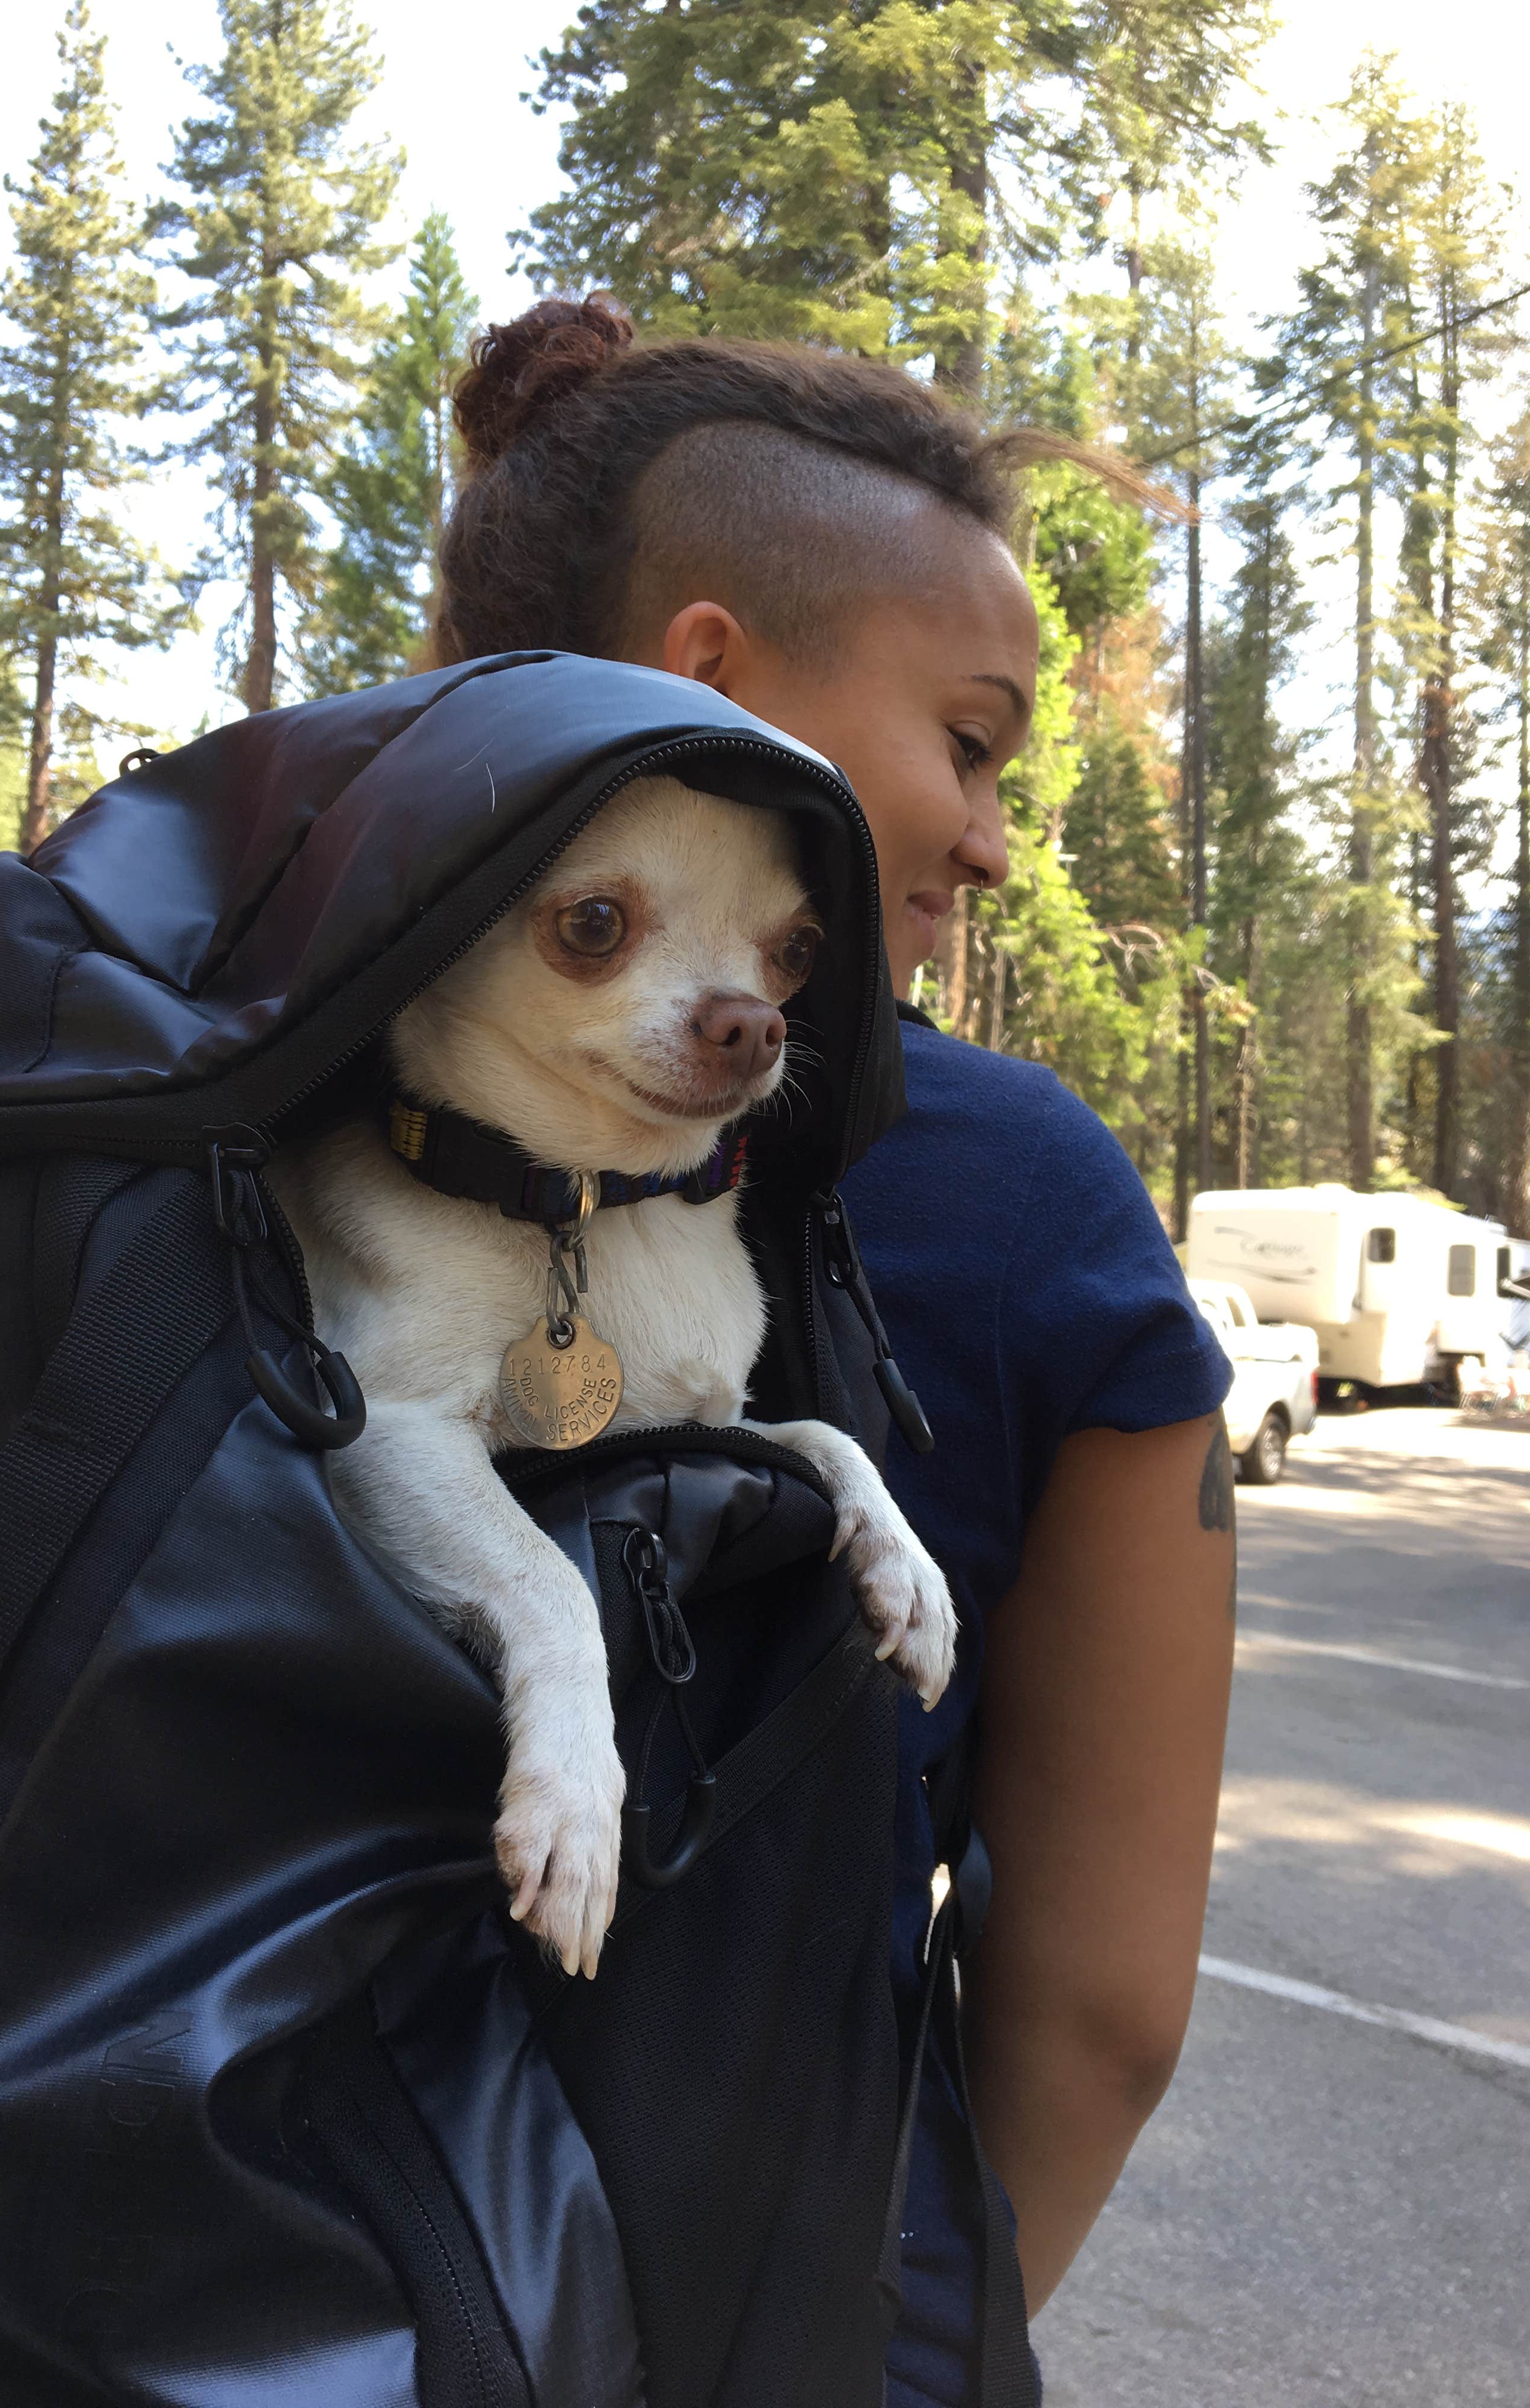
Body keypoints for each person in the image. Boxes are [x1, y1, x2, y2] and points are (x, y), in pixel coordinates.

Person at [429, 297, 1237, 2407]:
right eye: (970, 744)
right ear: (711, 682)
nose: (989, 837)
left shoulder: (175, 1045)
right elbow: (1099, 2013)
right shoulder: (1020, 1194)